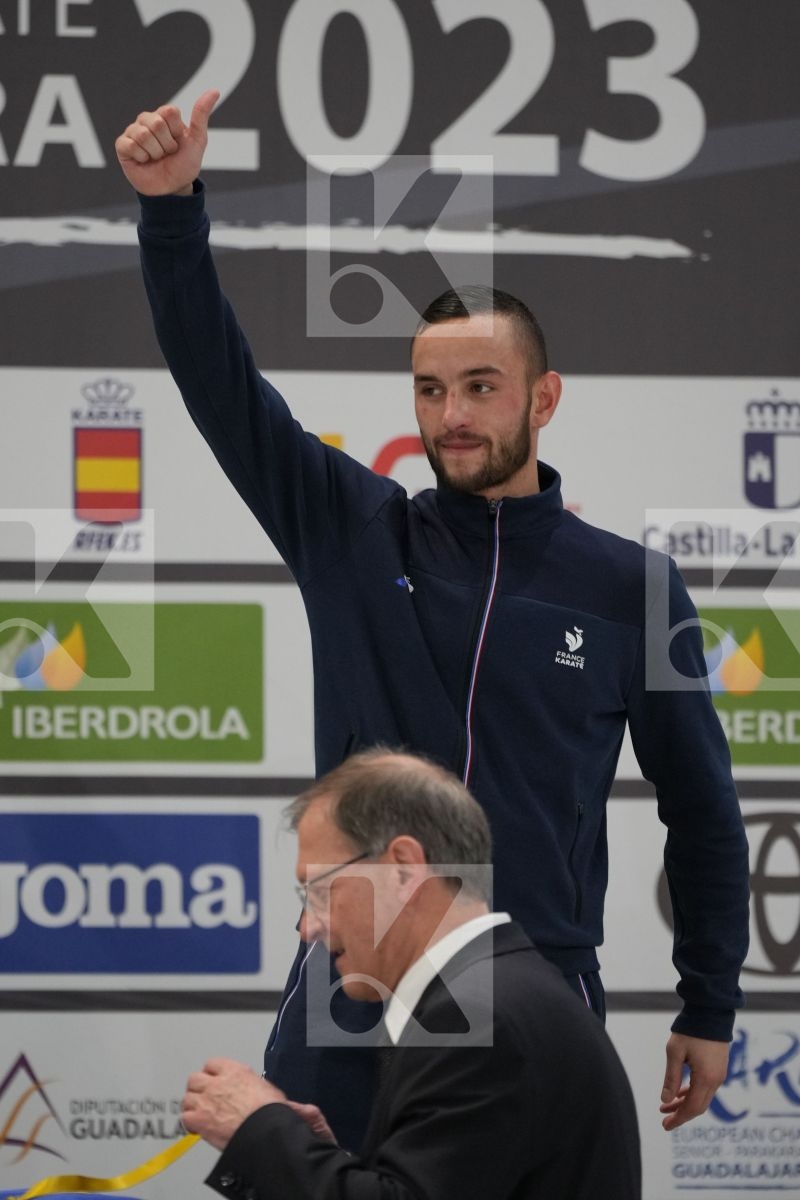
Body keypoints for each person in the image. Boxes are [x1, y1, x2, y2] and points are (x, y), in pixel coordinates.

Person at [115, 90, 749, 1143]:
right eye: (427, 389)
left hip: (533, 985)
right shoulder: (353, 529)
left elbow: (703, 807)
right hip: (351, 990)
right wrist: (170, 209)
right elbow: (219, 383)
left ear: (541, 399)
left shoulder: (634, 586)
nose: (450, 416)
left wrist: (709, 999)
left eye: (479, 386)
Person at [181, 749, 642, 1200]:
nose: (307, 927)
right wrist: (318, 1154)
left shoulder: (475, 1019)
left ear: (403, 867)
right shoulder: (492, 994)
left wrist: (260, 1129)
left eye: (320, 889)